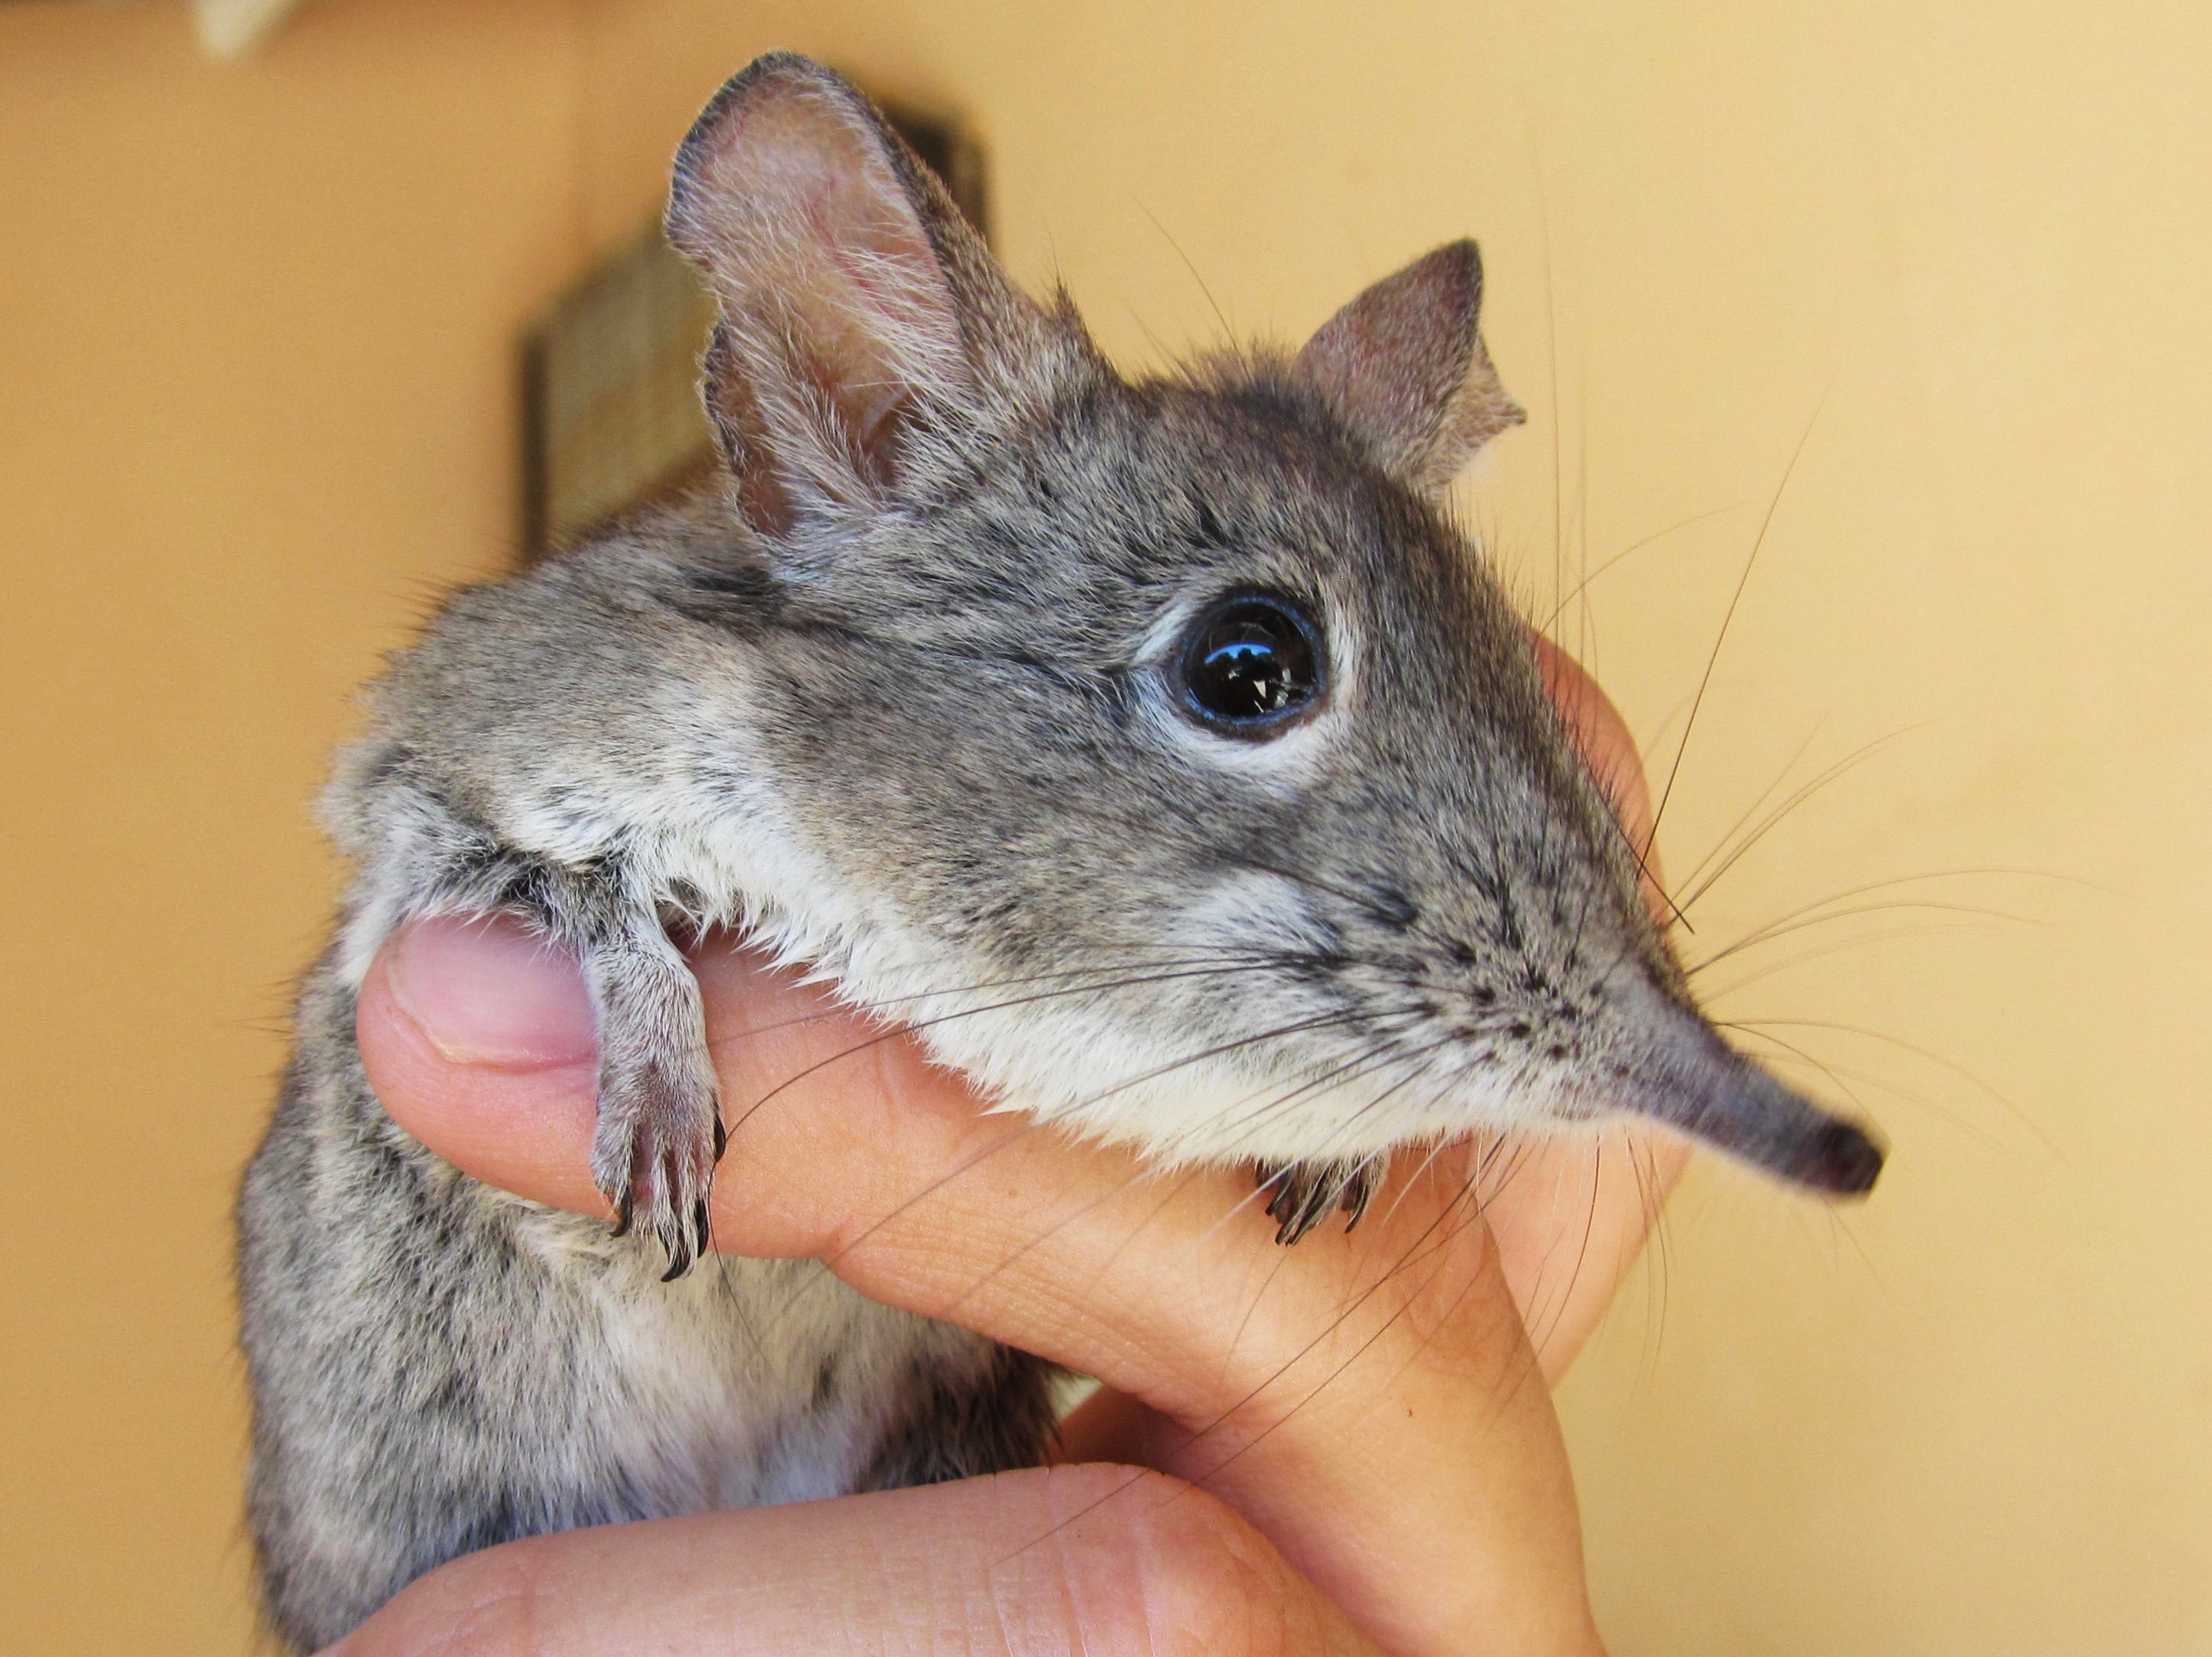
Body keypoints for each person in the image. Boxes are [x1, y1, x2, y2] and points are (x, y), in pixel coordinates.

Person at [325, 638, 1682, 1657]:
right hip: (461, 1457)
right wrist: (615, 959)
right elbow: (422, 787)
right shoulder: (708, 680)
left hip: (890, 1438)